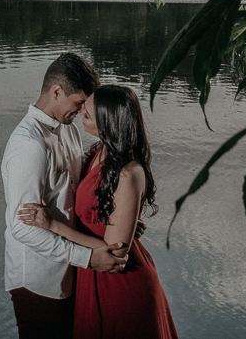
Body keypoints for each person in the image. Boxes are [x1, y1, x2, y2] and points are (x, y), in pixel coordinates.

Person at [17, 84, 179, 339]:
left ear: (109, 121)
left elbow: (116, 252)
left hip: (119, 282)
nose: (81, 111)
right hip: (90, 273)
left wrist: (53, 225)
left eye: (88, 112)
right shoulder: (97, 153)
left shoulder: (128, 173)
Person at [2, 54, 129, 339]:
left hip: (68, 271)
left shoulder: (68, 129)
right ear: (56, 91)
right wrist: (87, 258)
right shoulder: (28, 145)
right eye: (79, 103)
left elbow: (77, 188)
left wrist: (118, 218)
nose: (83, 111)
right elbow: (22, 227)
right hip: (37, 277)